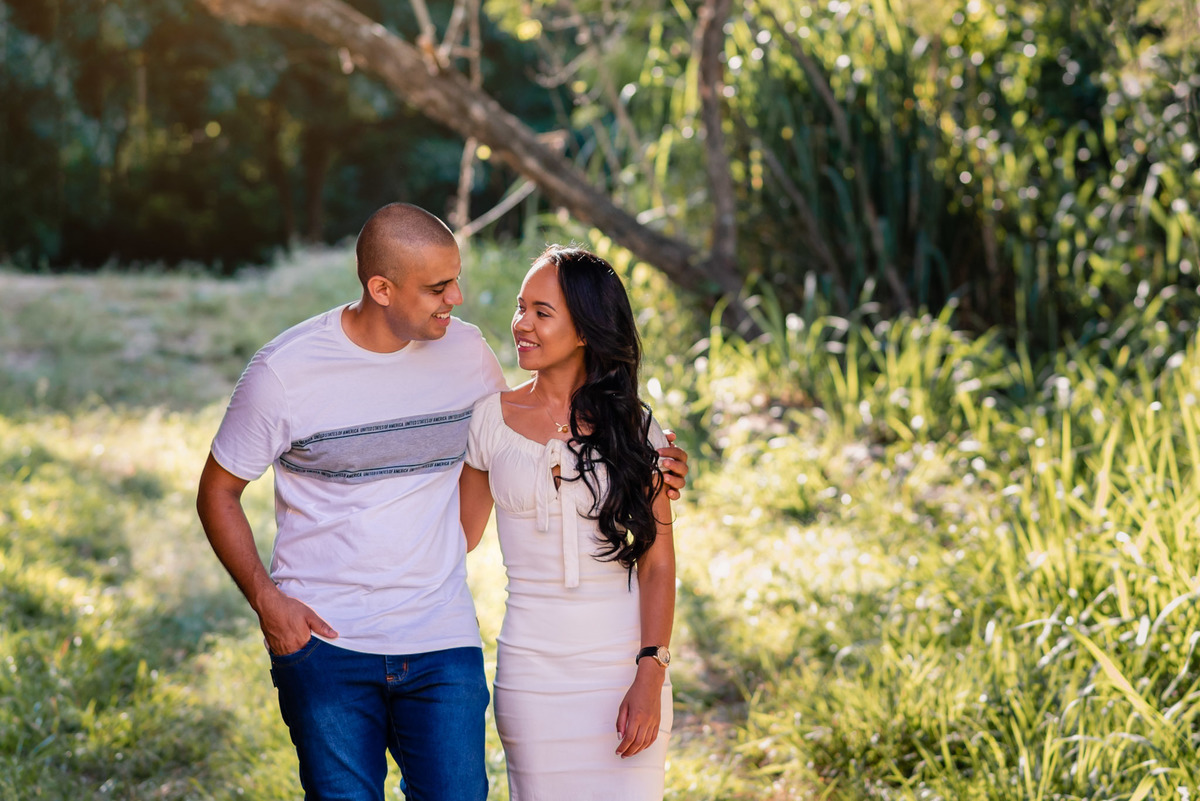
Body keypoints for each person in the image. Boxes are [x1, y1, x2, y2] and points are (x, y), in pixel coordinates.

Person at [194, 204, 689, 801]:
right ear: (381, 288)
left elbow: (539, 457)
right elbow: (218, 492)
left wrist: (642, 463)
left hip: (441, 639)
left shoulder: (467, 355)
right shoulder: (285, 371)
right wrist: (268, 602)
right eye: (437, 286)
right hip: (329, 643)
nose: (457, 297)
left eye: (456, 279)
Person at [459, 246, 676, 800]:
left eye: (541, 312)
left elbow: (657, 563)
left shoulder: (636, 428)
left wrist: (650, 672)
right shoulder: (489, 419)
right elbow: (455, 538)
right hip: (531, 668)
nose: (521, 324)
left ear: (585, 330)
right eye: (519, 307)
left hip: (624, 663)